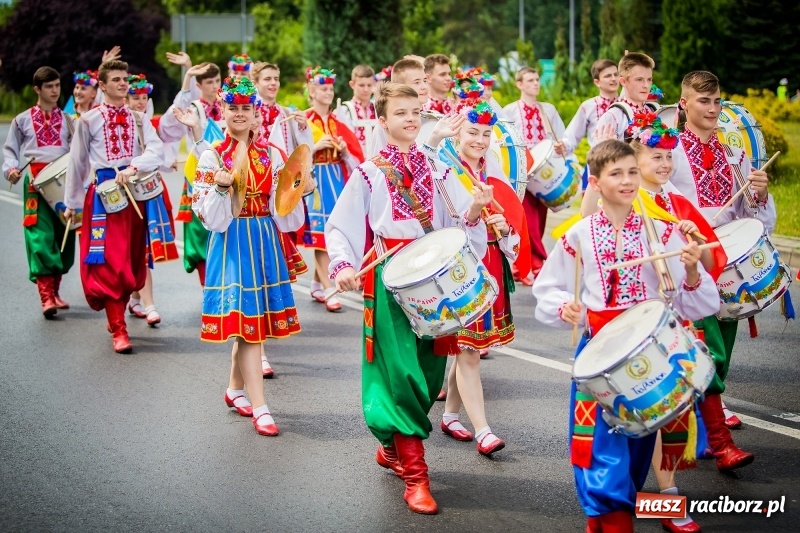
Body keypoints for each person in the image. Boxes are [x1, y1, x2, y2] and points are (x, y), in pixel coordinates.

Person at [532, 139, 720, 533]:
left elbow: (696, 304)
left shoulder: (661, 233)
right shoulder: (578, 236)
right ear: (596, 183)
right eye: (616, 173)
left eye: (633, 171)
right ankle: (613, 518)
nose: (628, 180)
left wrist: (689, 271)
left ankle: (605, 517)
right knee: (601, 449)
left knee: (637, 449)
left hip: (651, 351)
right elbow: (548, 289)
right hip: (599, 351)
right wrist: (565, 306)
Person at [326, 83, 493, 514]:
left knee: (429, 373)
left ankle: (390, 443)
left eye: (416, 112)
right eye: (401, 113)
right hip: (390, 279)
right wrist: (343, 265)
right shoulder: (369, 172)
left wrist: (476, 209)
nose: (411, 119)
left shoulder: (438, 165)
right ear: (383, 121)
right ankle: (416, 477)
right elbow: (340, 225)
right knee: (400, 374)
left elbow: (459, 219)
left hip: (432, 276)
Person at [669, 70, 776, 472]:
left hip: (727, 264)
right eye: (703, 101)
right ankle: (719, 441)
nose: (712, 109)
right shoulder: (670, 150)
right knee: (708, 349)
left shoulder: (734, 152)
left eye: (716, 102)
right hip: (691, 263)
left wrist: (759, 194)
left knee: (722, 355)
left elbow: (752, 216)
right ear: (684, 104)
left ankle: (695, 422)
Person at [192, 76, 308, 436]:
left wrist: (299, 190)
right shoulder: (212, 154)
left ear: (257, 114)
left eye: (247, 108)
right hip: (233, 240)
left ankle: (234, 389)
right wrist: (222, 188)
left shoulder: (271, 153)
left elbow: (281, 208)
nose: (240, 114)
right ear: (222, 111)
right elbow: (208, 216)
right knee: (249, 325)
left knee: (252, 324)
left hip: (264, 239)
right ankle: (261, 407)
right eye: (233, 108)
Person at [436, 98, 520, 456]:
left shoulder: (491, 170)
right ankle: (484, 430)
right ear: (457, 132)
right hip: (461, 268)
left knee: (470, 348)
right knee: (469, 351)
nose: (481, 140)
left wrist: (503, 231)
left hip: (489, 261)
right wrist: (474, 212)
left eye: (487, 133)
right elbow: (442, 225)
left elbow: (511, 219)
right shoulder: (442, 168)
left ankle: (451, 413)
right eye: (473, 132)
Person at [63, 60, 164, 353]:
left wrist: (135, 166)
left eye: (125, 79)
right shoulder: (88, 120)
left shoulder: (139, 118)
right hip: (103, 196)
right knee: (109, 260)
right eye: (116, 80)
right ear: (103, 86)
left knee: (133, 258)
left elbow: (155, 150)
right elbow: (78, 162)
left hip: (133, 192)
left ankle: (116, 310)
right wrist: (72, 204)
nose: (123, 84)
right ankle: (119, 328)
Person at [3, 66, 76, 317]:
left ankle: (55, 291)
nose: (55, 91)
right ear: (37, 89)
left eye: (57, 85)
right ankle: (46, 297)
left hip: (64, 182)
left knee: (63, 236)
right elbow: (10, 151)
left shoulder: (69, 120)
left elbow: (79, 151)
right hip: (35, 182)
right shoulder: (21, 120)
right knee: (39, 236)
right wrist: (11, 169)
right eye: (49, 87)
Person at [302, 66, 364, 312]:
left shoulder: (339, 122)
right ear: (311, 90)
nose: (328, 93)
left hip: (337, 179)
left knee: (335, 231)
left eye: (330, 88)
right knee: (320, 236)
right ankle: (329, 289)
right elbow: (294, 156)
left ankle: (318, 284)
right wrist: (315, 147)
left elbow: (356, 157)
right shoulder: (304, 121)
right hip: (316, 181)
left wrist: (345, 150)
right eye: (323, 88)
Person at [502, 66, 567, 285]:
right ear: (519, 84)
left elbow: (563, 136)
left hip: (545, 172)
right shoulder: (510, 110)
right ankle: (536, 265)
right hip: (522, 173)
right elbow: (502, 139)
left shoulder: (547, 109)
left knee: (539, 220)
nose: (536, 83)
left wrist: (561, 148)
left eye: (537, 79)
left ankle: (525, 267)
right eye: (530, 80)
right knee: (527, 221)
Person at [124, 74, 179, 326]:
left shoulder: (151, 123)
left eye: (144, 97)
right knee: (134, 247)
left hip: (149, 190)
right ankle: (144, 302)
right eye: (134, 97)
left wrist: (187, 75)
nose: (140, 102)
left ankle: (141, 301)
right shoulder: (120, 124)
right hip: (123, 189)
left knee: (144, 247)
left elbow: (160, 155)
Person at [164, 61, 224, 286]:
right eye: (209, 82)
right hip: (198, 172)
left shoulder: (226, 105)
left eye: (217, 81)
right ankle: (206, 281)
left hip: (222, 169)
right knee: (200, 228)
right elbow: (175, 111)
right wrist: (187, 73)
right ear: (199, 85)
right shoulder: (194, 107)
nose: (214, 86)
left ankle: (220, 279)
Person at [562, 59, 619, 191]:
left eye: (616, 74)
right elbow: (571, 136)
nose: (613, 79)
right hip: (596, 165)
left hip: (623, 165)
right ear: (597, 82)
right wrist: (563, 146)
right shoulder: (588, 106)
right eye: (608, 76)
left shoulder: (627, 104)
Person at [251, 61, 311, 153]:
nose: (273, 82)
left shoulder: (289, 114)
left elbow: (305, 150)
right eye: (267, 79)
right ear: (255, 84)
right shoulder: (249, 114)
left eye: (276, 79)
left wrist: (303, 126)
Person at [335, 64, 378, 154]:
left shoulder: (379, 108)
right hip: (354, 163)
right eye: (361, 85)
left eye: (369, 85)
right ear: (352, 84)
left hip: (379, 163)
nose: (366, 89)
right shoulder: (344, 111)